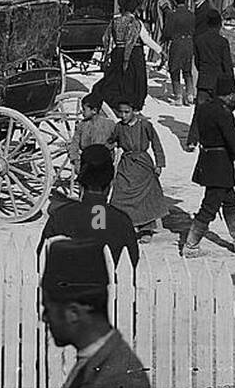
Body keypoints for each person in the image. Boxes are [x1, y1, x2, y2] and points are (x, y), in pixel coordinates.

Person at [40, 238, 150, 388]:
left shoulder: (118, 382)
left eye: (48, 309)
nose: (44, 318)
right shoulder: (96, 360)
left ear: (73, 313)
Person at [40, 145, 139, 269]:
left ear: (80, 184)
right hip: (111, 287)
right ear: (110, 184)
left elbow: (41, 260)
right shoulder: (122, 221)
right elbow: (133, 264)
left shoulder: (60, 217)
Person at [183, 91, 235, 256]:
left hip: (207, 160)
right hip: (221, 165)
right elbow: (233, 140)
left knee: (230, 201)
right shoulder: (223, 113)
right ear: (227, 94)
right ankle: (190, 244)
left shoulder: (203, 108)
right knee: (210, 206)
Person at [108, 99, 169, 242]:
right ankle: (123, 226)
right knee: (120, 194)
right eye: (120, 112)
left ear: (134, 111)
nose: (123, 115)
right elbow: (111, 142)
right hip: (126, 165)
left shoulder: (145, 125)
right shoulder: (118, 127)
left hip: (143, 164)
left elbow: (156, 143)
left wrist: (159, 164)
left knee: (145, 198)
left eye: (126, 112)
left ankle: (146, 229)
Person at [96, 0, 162, 113]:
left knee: (118, 79)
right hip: (134, 55)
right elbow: (146, 40)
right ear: (135, 10)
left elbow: (105, 38)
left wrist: (109, 52)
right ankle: (133, 106)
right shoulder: (136, 23)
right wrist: (160, 51)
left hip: (118, 53)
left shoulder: (115, 21)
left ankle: (117, 104)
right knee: (135, 81)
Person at [194, 9, 235, 98]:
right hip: (219, 83)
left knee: (201, 110)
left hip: (203, 81)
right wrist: (231, 84)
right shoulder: (222, 42)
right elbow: (227, 64)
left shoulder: (199, 40)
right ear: (219, 24)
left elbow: (197, 62)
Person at [68, 93, 116, 174]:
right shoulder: (81, 125)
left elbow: (117, 141)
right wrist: (75, 160)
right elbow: (74, 144)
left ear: (94, 110)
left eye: (84, 109)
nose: (82, 112)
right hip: (87, 163)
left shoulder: (110, 125)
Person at [162, 0, 196, 106]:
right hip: (189, 42)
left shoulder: (173, 15)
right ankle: (190, 94)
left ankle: (178, 96)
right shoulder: (191, 14)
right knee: (187, 69)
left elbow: (167, 31)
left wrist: (164, 39)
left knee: (175, 69)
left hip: (177, 43)